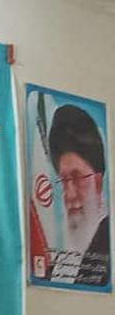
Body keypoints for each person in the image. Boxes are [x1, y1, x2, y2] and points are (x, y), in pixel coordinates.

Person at [49, 103, 110, 287]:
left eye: (77, 178)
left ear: (98, 182)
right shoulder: (57, 265)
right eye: (64, 181)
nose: (70, 194)